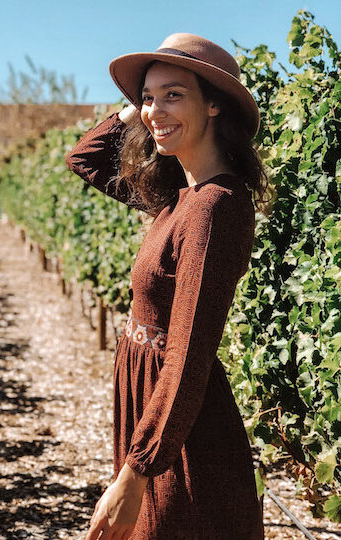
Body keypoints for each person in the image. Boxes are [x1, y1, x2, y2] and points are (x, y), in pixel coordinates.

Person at [65, 33, 269, 539]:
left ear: (216, 105)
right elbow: (85, 159)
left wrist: (137, 473)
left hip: (181, 427)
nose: (155, 110)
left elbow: (187, 353)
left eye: (174, 94)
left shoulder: (213, 207)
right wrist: (143, 109)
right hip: (152, 407)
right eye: (149, 97)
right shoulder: (177, 195)